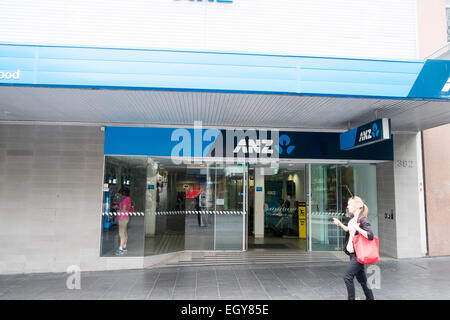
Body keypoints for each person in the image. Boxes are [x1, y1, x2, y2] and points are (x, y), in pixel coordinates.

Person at [333, 196, 375, 300]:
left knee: (347, 277)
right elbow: (349, 230)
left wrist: (358, 228)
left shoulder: (362, 219)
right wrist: (340, 224)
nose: (348, 206)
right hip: (353, 254)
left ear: (357, 207)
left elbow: (370, 235)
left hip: (358, 254)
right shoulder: (353, 220)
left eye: (350, 205)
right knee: (363, 280)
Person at [114, 188, 131, 255]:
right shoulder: (128, 199)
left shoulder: (124, 200)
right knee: (124, 232)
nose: (119, 195)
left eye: (120, 193)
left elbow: (123, 210)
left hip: (122, 218)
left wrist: (117, 208)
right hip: (125, 217)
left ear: (123, 194)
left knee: (121, 233)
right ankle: (124, 247)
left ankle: (120, 249)